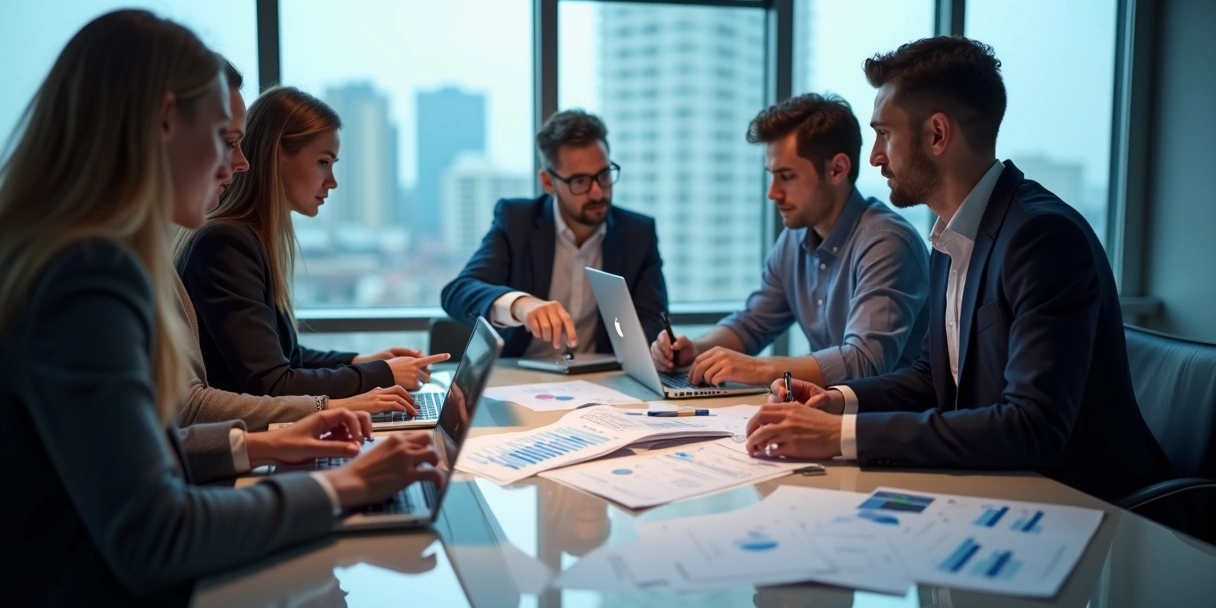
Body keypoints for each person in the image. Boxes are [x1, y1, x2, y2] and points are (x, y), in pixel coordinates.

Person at [0, 12, 442, 608]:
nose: (233, 165)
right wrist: (342, 487)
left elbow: (127, 456)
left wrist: (262, 443)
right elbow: (155, 534)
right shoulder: (88, 277)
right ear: (161, 120)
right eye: (221, 137)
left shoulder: (68, 255)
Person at [744, 36, 1173, 502]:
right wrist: (842, 402)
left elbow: (1032, 428)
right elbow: (933, 377)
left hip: (1089, 511)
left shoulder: (1043, 238)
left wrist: (840, 437)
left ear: (937, 134)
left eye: (885, 133)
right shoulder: (952, 235)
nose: (874, 156)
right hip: (996, 493)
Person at [175, 59, 417, 435]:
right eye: (323, 162)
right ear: (276, 157)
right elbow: (272, 383)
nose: (332, 181)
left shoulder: (252, 237)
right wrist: (378, 374)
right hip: (243, 437)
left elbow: (287, 356)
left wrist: (361, 360)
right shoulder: (225, 242)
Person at [652, 94, 930, 388]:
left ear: (837, 169)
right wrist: (697, 350)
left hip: (887, 424)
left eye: (786, 176)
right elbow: (752, 324)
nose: (773, 193)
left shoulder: (886, 243)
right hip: (828, 415)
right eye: (772, 176)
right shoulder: (794, 238)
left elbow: (864, 363)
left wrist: (759, 369)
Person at [441, 109, 669, 359]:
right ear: (548, 182)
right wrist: (520, 304)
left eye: (604, 175)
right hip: (521, 377)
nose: (597, 192)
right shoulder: (518, 221)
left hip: (605, 382)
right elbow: (458, 291)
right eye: (580, 181)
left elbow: (652, 322)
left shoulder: (637, 233)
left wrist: (660, 348)